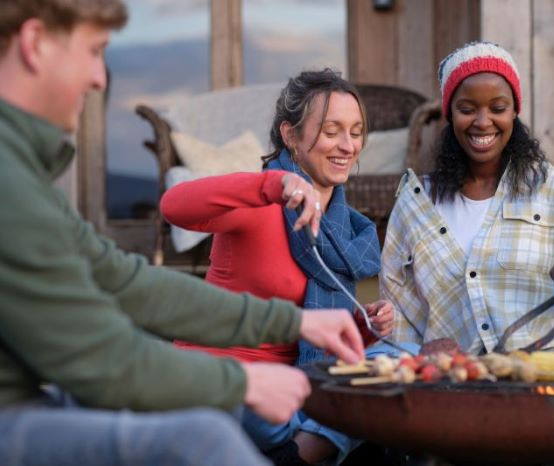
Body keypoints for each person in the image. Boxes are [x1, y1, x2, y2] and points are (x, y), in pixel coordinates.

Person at [0, 2, 366, 466]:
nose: (99, 79)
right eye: (94, 51)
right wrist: (244, 384)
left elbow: (127, 283)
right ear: (35, 44)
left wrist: (296, 323)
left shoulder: (24, 173)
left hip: (35, 401)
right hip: (14, 416)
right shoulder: (9, 181)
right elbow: (100, 361)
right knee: (200, 438)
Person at [161, 68, 395, 466]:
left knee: (398, 360)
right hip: (231, 388)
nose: (347, 146)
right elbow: (174, 205)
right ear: (290, 135)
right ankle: (308, 450)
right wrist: (268, 187)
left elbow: (312, 329)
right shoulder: (261, 201)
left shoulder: (346, 228)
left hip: (292, 394)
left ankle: (301, 454)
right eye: (331, 130)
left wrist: (362, 327)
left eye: (355, 132)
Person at [380, 41, 554, 354]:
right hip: (459, 390)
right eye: (467, 109)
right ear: (449, 113)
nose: (482, 121)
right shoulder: (415, 204)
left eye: (498, 108)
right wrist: (416, 352)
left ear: (515, 111)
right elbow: (394, 315)